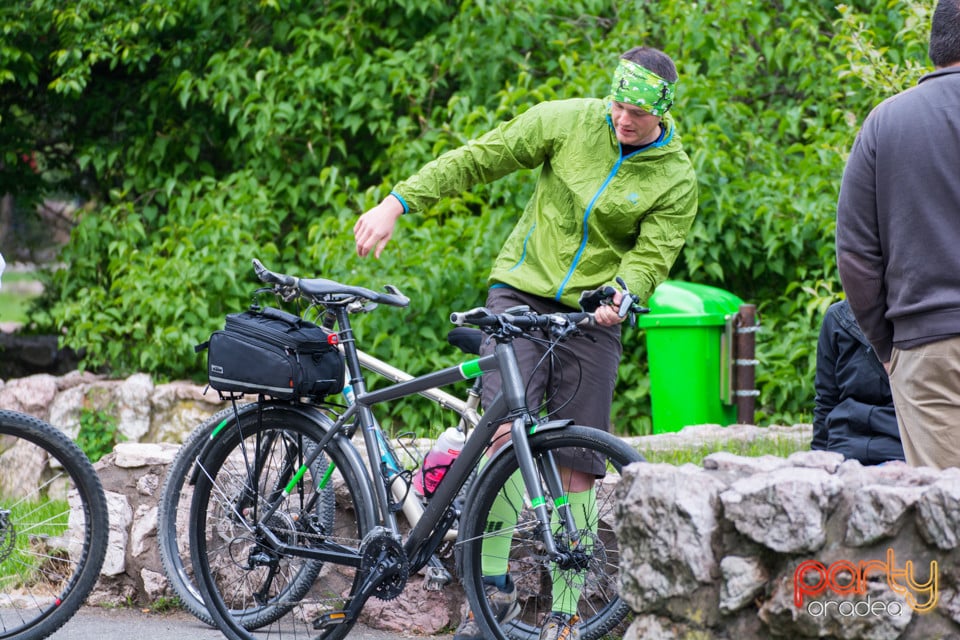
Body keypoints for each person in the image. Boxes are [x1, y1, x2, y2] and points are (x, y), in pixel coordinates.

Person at [355, 46, 697, 640]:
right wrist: (398, 200)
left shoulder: (675, 176)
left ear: (662, 113)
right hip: (521, 290)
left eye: (637, 112)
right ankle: (489, 590)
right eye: (617, 103)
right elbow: (479, 159)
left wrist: (623, 293)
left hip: (594, 316)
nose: (622, 118)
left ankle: (565, 612)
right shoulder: (566, 121)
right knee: (503, 433)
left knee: (579, 462)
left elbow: (652, 255)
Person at [835, 0, 960, 470]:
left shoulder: (886, 121)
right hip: (923, 339)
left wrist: (889, 346)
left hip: (926, 346)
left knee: (948, 518)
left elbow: (855, 253)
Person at [812, 300, 905, 465]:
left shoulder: (923, 316)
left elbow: (826, 401)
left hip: (898, 450)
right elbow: (825, 400)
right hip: (846, 449)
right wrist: (817, 460)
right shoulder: (836, 317)